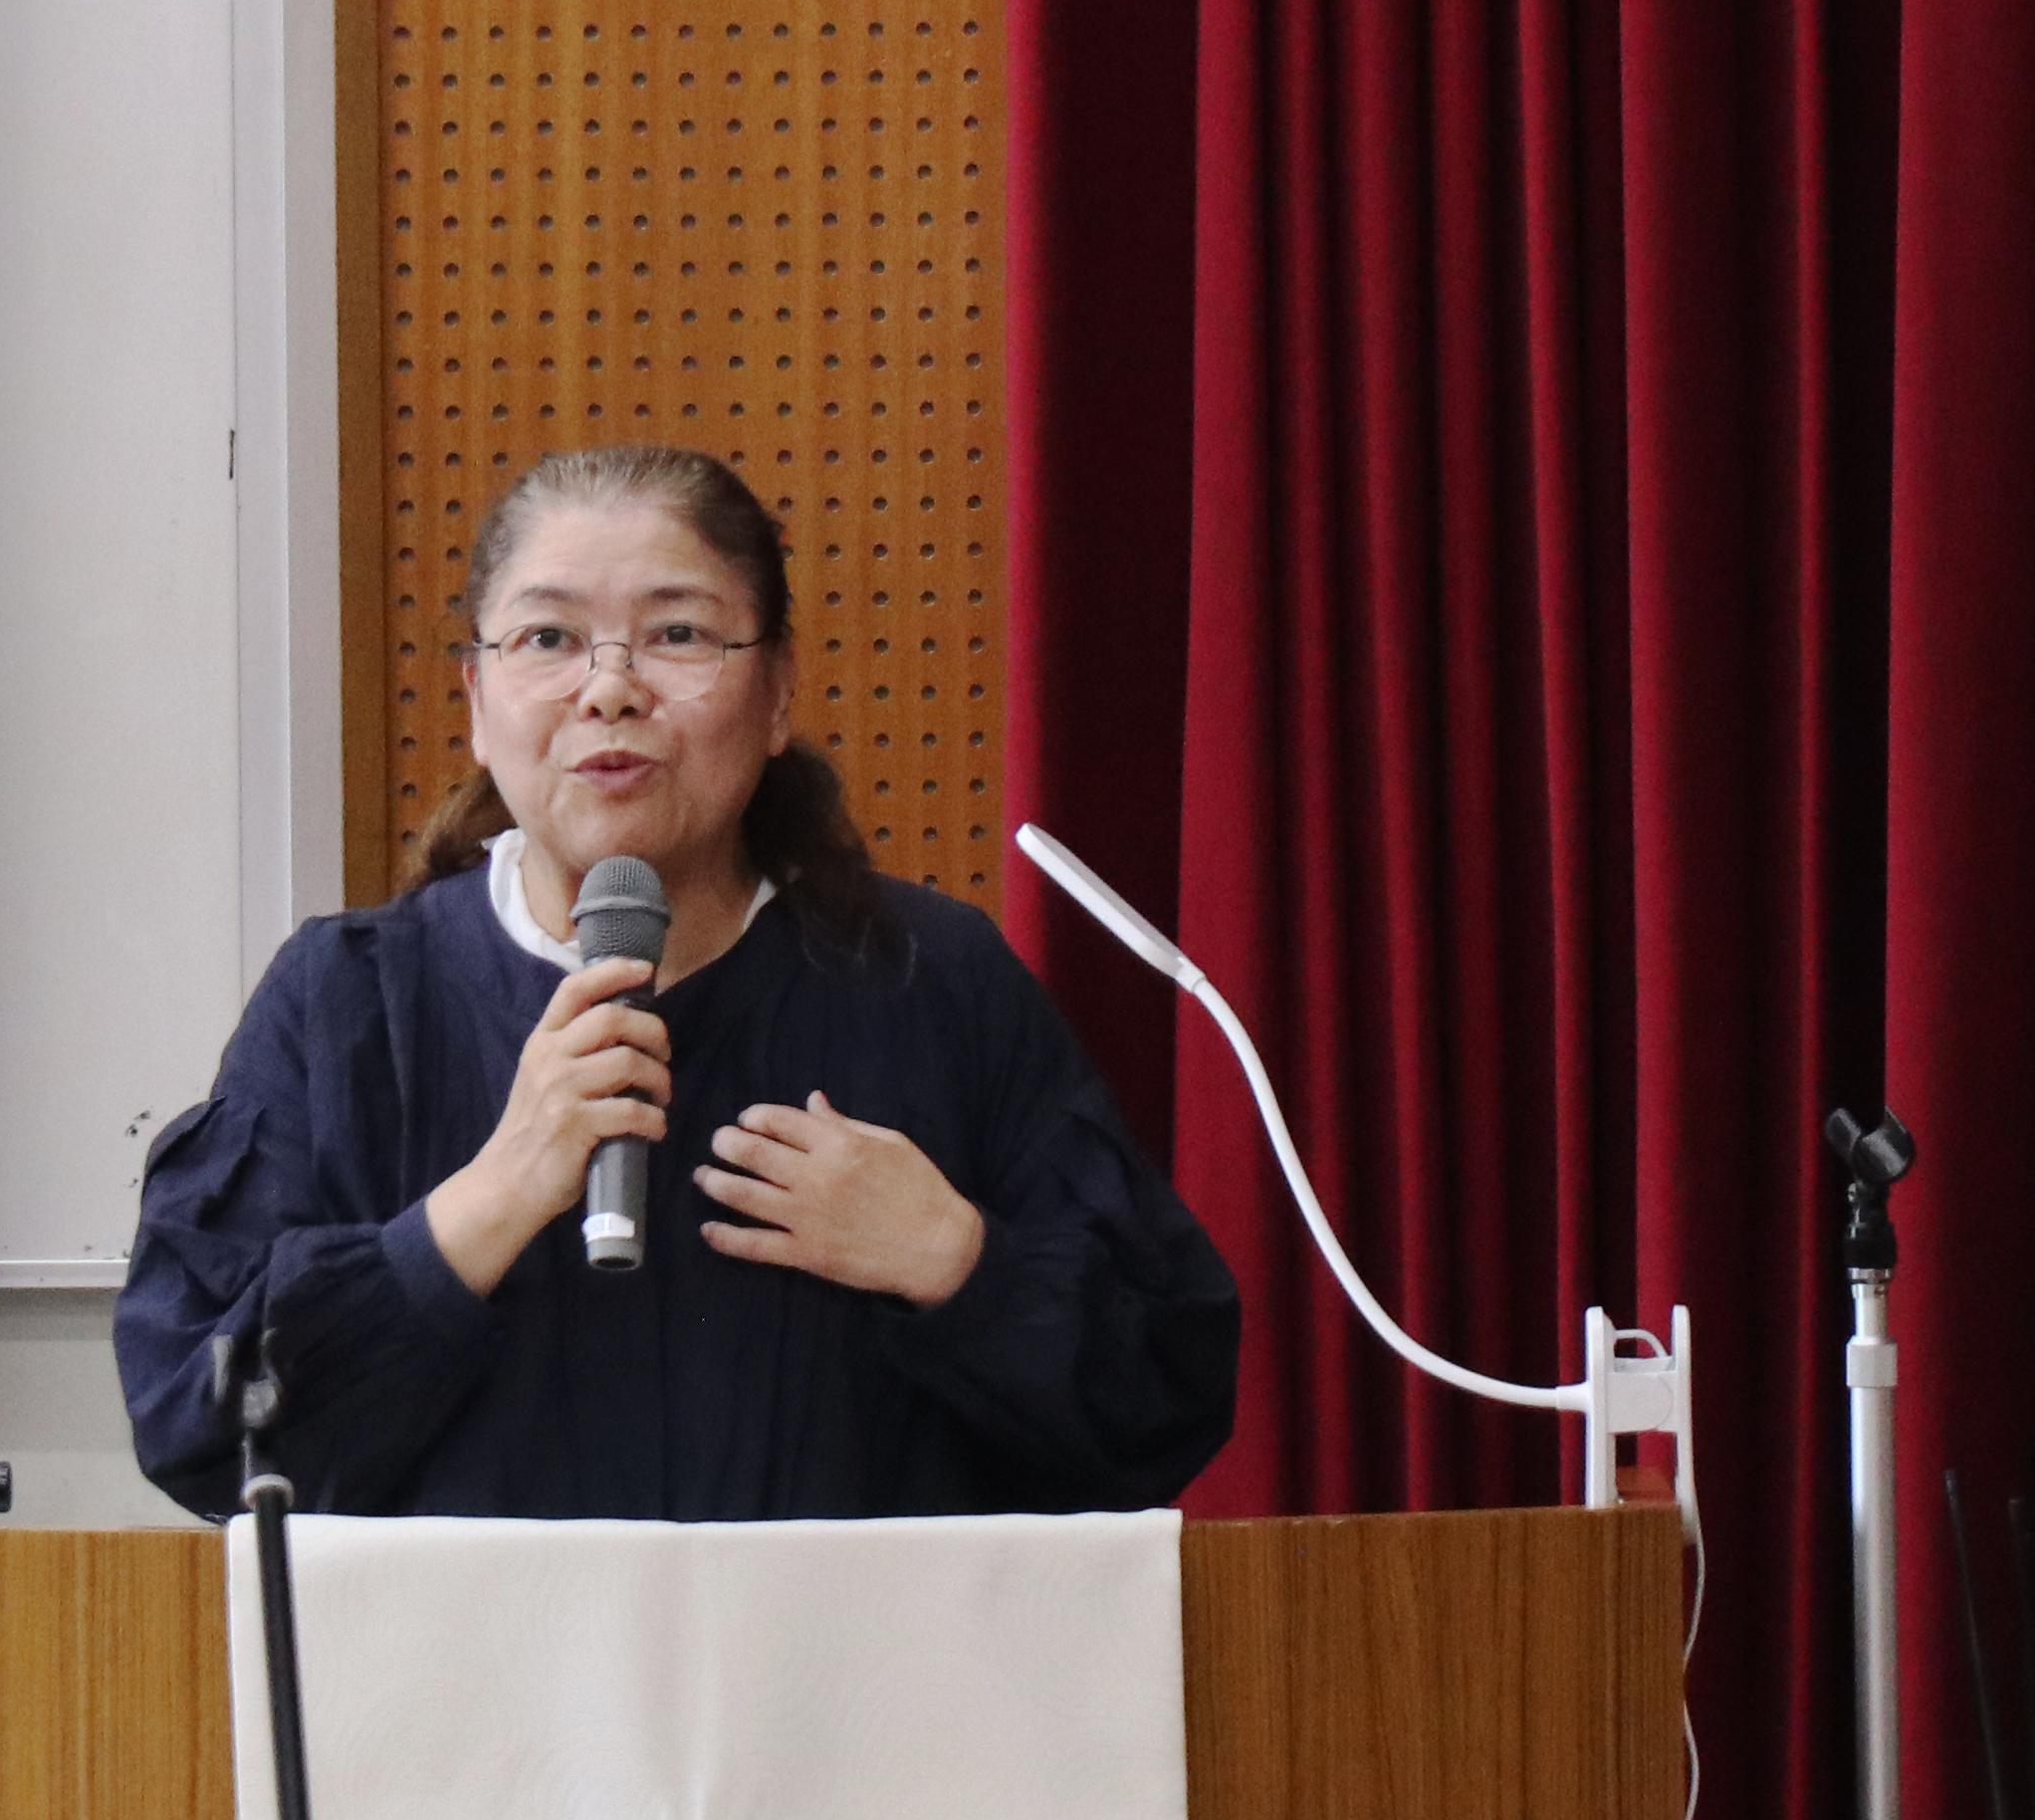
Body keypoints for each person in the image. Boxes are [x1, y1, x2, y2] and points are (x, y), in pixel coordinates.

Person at [118, 446, 1239, 1519]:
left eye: (678, 634)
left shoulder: (930, 982)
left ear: (778, 693)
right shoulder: (350, 1003)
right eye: (549, 638)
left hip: (848, 1652)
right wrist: (488, 1200)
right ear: (477, 700)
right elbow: (201, 1424)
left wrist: (955, 1263)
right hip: (473, 1658)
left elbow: (1164, 1401)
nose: (610, 689)